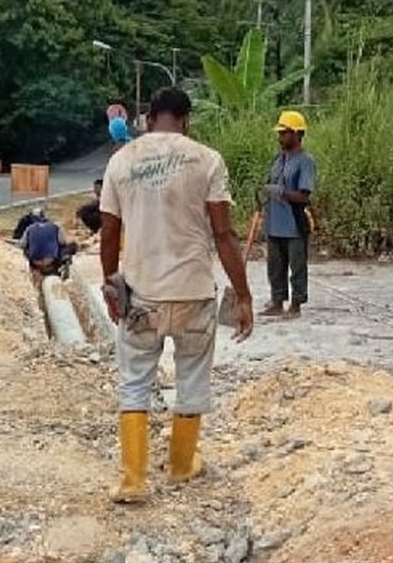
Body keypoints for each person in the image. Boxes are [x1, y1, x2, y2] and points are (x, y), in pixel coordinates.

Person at [99, 87, 254, 505]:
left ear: (149, 120)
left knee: (134, 382)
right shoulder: (207, 160)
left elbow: (109, 231)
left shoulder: (121, 161)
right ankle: (183, 465)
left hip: (142, 296)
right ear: (186, 121)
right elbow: (223, 234)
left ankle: (133, 479)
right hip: (194, 294)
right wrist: (244, 296)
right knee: (192, 378)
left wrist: (111, 283)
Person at [260, 110, 316, 320]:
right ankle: (277, 302)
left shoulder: (305, 162)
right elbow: (270, 182)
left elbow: (304, 196)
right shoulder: (278, 159)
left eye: (284, 133)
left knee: (297, 266)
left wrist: (282, 193)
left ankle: (296, 304)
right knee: (275, 266)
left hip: (293, 223)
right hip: (274, 221)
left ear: (295, 134)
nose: (280, 137)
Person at [19, 208, 76, 281]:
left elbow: (21, 245)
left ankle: (33, 271)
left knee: (26, 249)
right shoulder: (55, 226)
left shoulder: (29, 229)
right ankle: (65, 272)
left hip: (35, 262)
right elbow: (63, 242)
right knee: (68, 247)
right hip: (51, 260)